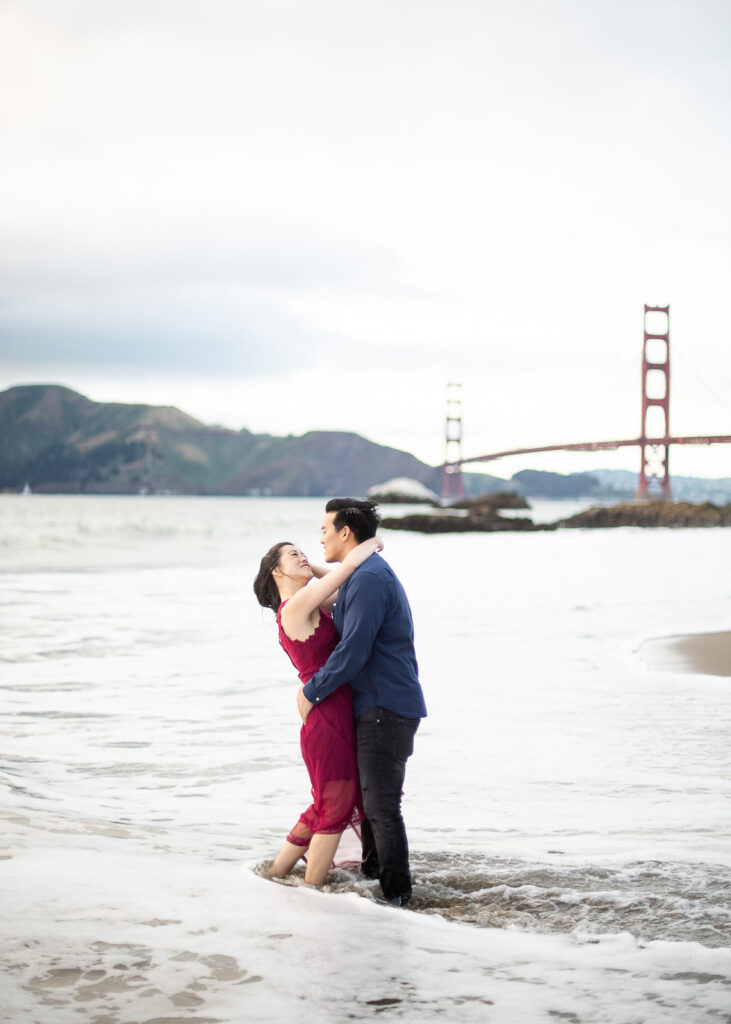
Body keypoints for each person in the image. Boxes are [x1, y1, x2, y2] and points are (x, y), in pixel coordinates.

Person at [296, 498, 427, 907]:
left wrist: (311, 691)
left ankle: (398, 898)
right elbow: (335, 583)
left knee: (381, 805)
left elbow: (353, 650)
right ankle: (376, 885)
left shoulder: (369, 578)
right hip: (379, 705)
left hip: (386, 708)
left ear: (345, 533)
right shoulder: (361, 574)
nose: (319, 539)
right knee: (372, 805)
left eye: (324, 530)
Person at [253, 533, 382, 886]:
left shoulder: (311, 604)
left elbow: (351, 586)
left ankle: (276, 874)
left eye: (304, 553)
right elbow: (348, 571)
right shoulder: (295, 607)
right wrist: (366, 547)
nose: (303, 557)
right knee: (337, 804)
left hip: (335, 707)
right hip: (325, 715)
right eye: (294, 555)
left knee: (325, 803)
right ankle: (312, 890)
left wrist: (312, 566)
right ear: (277, 573)